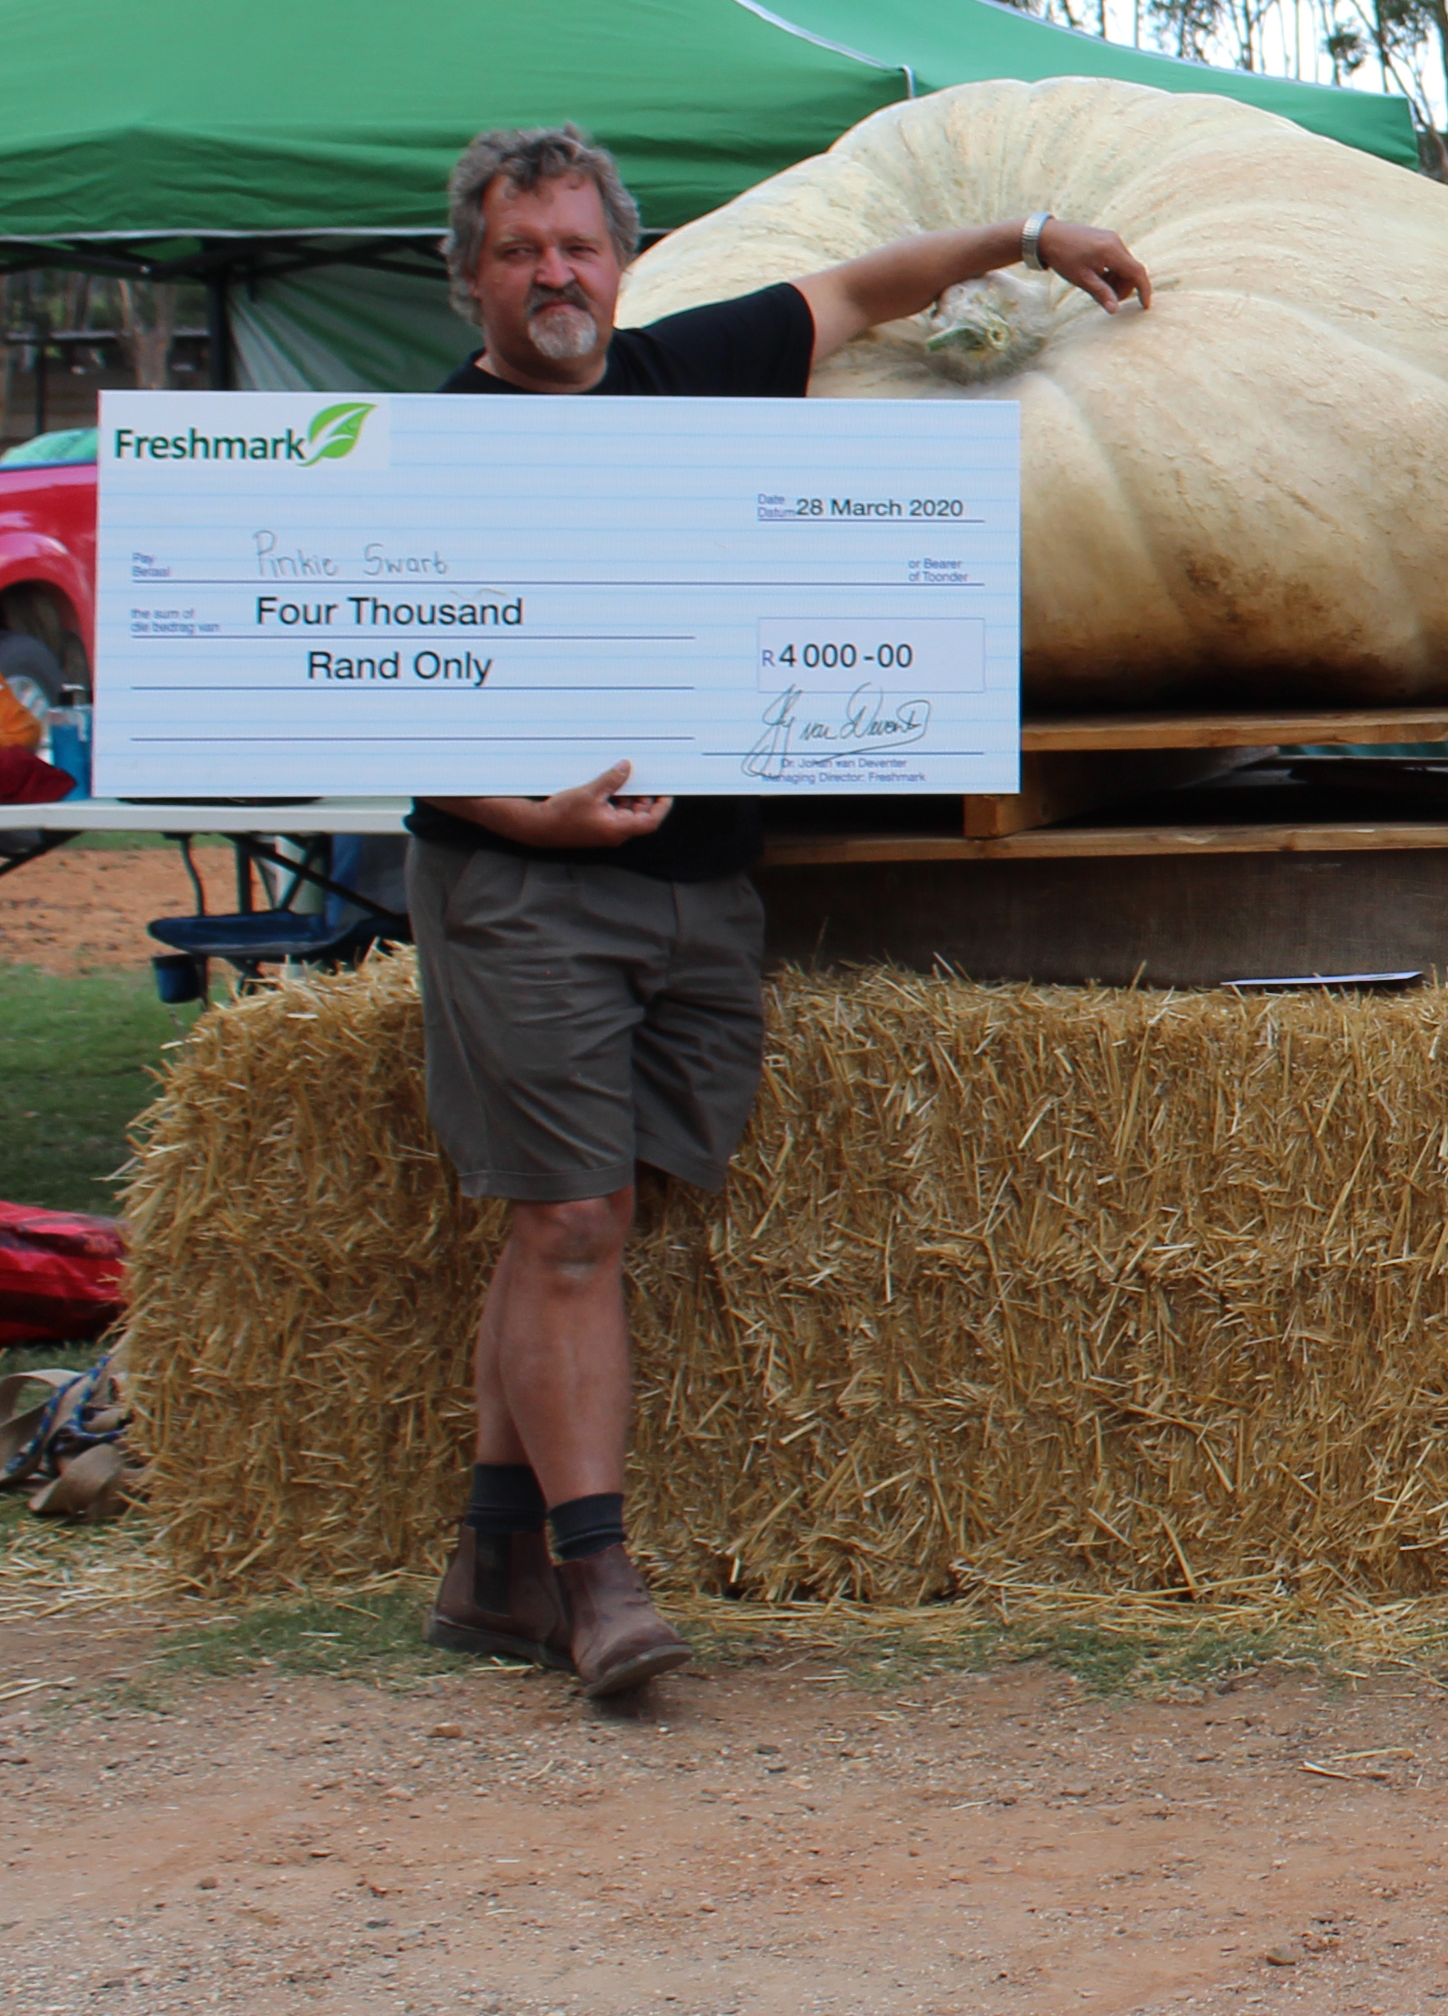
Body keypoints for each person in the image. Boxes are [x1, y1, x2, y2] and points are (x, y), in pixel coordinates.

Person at [416, 125, 1152, 1698]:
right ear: (469, 276)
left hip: (699, 895)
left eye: (577, 247)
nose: (555, 275)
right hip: (527, 889)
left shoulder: (695, 374)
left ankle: (488, 1562)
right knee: (572, 1221)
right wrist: (521, 812)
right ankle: (595, 1580)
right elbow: (360, 700)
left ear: (622, 259)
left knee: (581, 1213)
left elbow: (858, 288)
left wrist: (1030, 231)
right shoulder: (421, 452)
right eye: (519, 251)